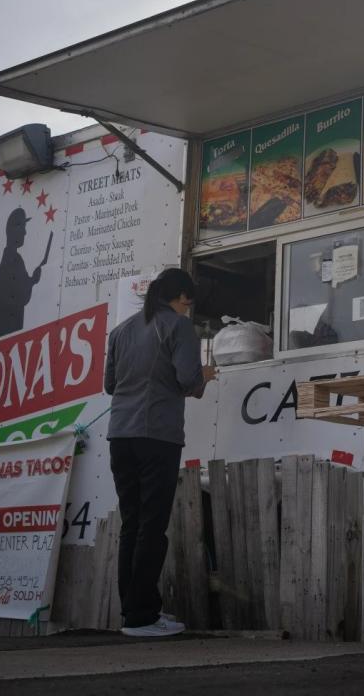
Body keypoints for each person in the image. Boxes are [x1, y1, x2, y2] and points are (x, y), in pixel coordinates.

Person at [103, 268, 216, 637]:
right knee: (152, 526)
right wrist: (206, 375)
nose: (189, 308)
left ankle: (135, 612)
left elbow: (109, 385)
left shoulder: (121, 331)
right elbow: (187, 380)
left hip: (120, 434)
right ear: (182, 297)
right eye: (188, 301)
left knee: (132, 524)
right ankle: (141, 618)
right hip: (158, 436)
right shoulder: (179, 327)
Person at [0, 207, 44, 338]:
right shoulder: (11, 259)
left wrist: (33, 280)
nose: (25, 232)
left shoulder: (15, 258)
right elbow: (18, 297)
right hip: (5, 332)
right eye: (22, 227)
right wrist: (32, 281)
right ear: (12, 230)